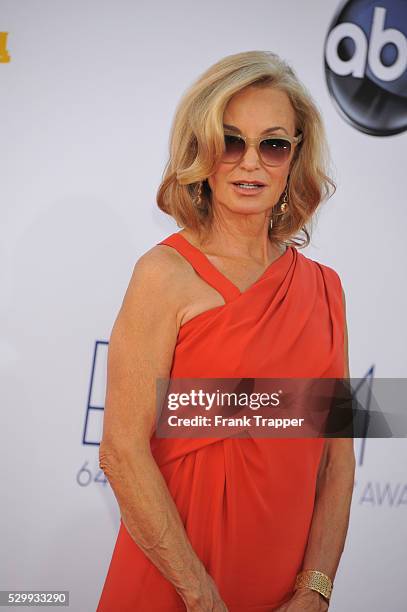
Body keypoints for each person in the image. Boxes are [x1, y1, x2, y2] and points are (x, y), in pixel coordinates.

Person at [96, 50, 355, 612]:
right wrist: (201, 596)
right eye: (231, 141)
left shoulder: (325, 289)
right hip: (173, 581)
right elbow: (120, 450)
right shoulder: (163, 275)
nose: (250, 163)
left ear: (294, 157)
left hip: (283, 585)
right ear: (202, 151)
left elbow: (337, 458)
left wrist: (315, 589)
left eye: (274, 144)